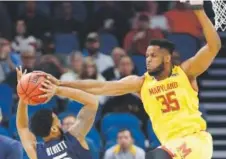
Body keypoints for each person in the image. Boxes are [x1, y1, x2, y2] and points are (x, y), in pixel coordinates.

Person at [39, 3, 221, 159]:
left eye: (153, 55)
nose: (148, 59)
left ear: (166, 58)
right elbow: (101, 86)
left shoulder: (185, 72)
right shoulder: (142, 83)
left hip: (195, 140)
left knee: (155, 156)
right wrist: (61, 84)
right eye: (147, 55)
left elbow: (214, 46)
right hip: (171, 145)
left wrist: (198, 10)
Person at [16, 67, 98, 159]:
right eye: (57, 120)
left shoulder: (37, 153)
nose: (60, 121)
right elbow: (92, 102)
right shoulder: (74, 138)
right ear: (54, 129)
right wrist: (57, 90)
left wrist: (23, 93)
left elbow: (22, 127)